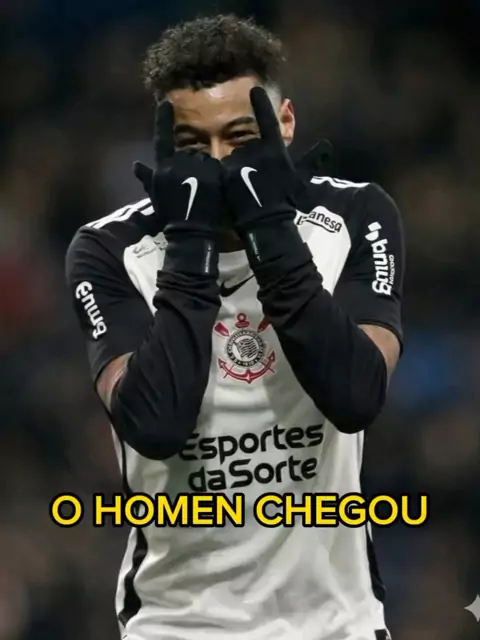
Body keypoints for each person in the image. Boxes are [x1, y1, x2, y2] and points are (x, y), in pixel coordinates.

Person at [65, 13, 403, 640]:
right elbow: (156, 424)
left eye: (241, 138)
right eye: (194, 147)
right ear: (162, 145)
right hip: (175, 625)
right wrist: (190, 241)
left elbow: (356, 395)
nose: (219, 165)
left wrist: (269, 230)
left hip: (337, 624)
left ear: (286, 124)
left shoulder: (356, 214)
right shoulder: (109, 249)